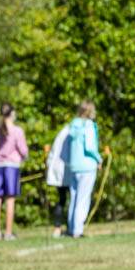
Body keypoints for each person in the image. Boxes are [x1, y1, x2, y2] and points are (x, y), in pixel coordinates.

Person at [0, 102, 28, 240]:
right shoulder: (17, 131)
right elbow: (23, 150)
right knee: (10, 199)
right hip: (12, 166)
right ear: (12, 114)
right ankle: (8, 232)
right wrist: (24, 156)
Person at [65, 101, 102, 239]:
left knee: (74, 198)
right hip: (87, 166)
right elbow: (90, 147)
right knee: (83, 199)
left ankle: (71, 227)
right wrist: (99, 159)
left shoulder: (73, 125)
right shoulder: (88, 125)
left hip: (74, 166)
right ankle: (77, 230)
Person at [45, 123, 71, 237]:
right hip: (66, 170)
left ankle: (57, 228)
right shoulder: (71, 132)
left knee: (62, 199)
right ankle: (70, 227)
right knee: (71, 200)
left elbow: (52, 153)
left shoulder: (61, 133)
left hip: (57, 170)